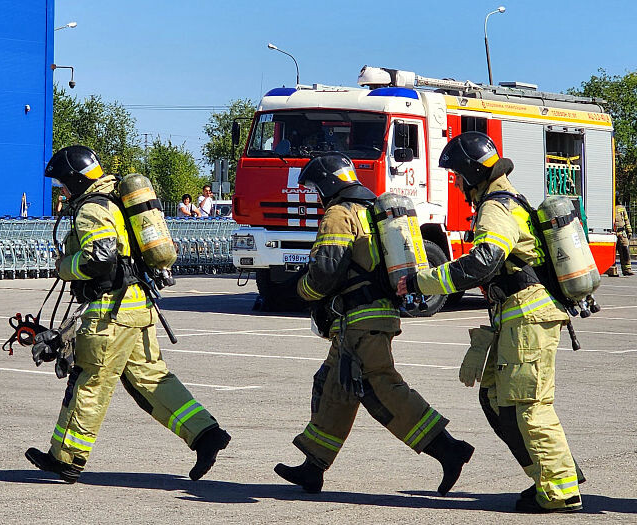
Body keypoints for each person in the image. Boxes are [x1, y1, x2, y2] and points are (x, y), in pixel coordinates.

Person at [398, 132, 583, 513]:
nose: (457, 184)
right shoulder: (508, 199)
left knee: (527, 405)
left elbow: (483, 262)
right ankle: (552, 474)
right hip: (518, 317)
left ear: (471, 174)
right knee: (496, 399)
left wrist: (422, 281)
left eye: (457, 176)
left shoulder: (495, 207)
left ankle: (560, 490)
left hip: (527, 316)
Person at [26, 145, 230, 484]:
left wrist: (64, 266)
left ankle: (66, 458)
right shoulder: (117, 199)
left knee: (90, 381)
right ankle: (206, 434)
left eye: (63, 183)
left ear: (75, 180)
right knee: (152, 378)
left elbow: (99, 259)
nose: (62, 191)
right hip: (137, 305)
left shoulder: (92, 208)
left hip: (111, 311)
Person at [274, 152, 474, 496]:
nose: (317, 196)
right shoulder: (370, 210)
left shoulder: (339, 213)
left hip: (360, 320)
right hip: (369, 316)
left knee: (382, 390)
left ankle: (448, 450)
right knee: (334, 385)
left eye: (316, 189)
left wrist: (299, 291)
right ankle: (313, 466)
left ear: (326, 185)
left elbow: (326, 271)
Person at [610, 193, 633, 276]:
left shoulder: (621, 208)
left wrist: (629, 230)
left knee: (625, 250)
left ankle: (627, 269)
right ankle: (612, 270)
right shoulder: (609, 207)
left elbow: (626, 220)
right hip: (612, 233)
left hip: (621, 232)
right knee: (612, 253)